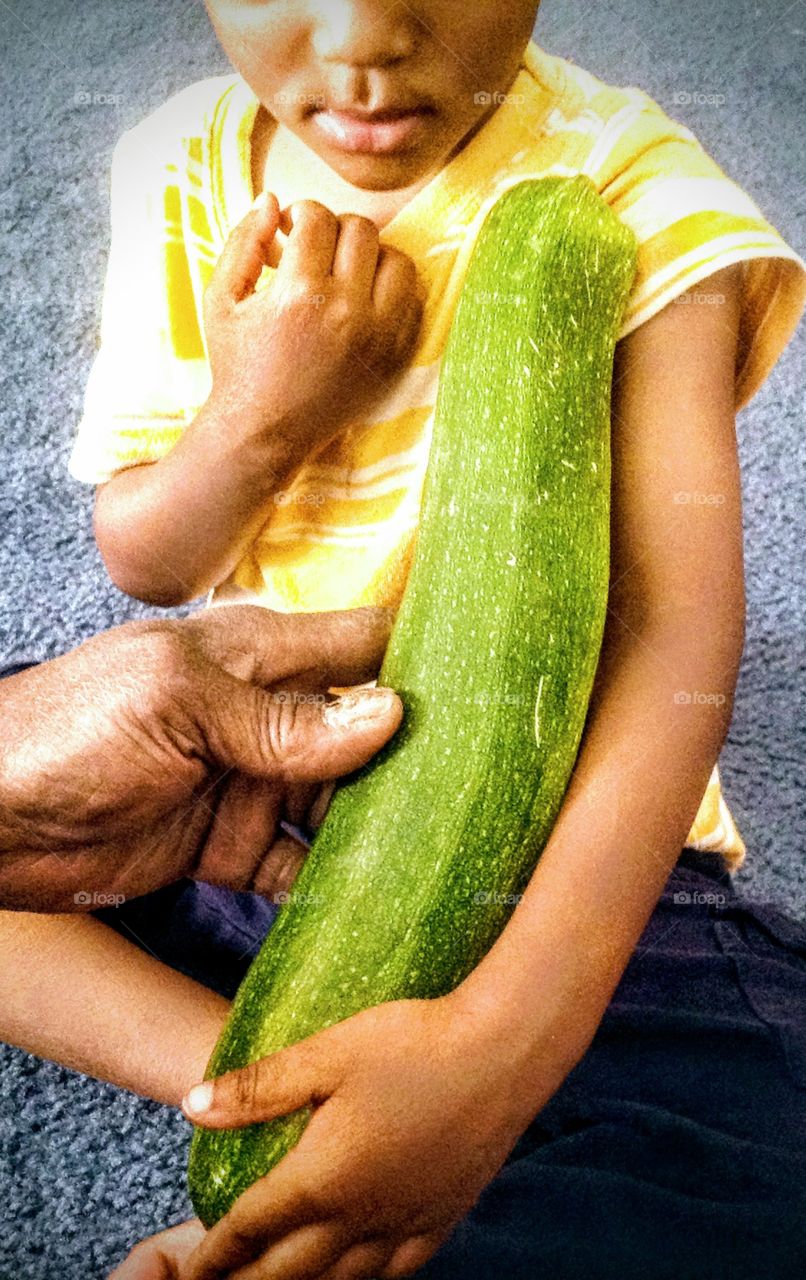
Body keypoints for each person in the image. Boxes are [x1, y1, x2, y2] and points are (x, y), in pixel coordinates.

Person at [9, 0, 805, 1275]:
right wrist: (260, 418)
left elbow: (672, 640)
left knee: (755, 1168)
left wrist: (504, 1037)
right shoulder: (182, 167)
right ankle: (286, 1101)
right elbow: (149, 560)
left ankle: (406, 1123)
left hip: (563, 853)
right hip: (233, 806)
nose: (362, 36)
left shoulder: (629, 194)